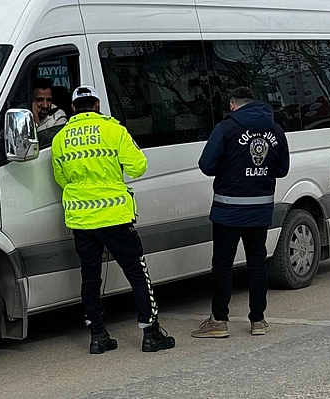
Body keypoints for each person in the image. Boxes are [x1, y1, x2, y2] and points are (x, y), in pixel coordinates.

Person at [51, 85, 174, 354]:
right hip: (115, 215)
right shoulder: (114, 130)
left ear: (73, 108)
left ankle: (98, 336)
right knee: (137, 274)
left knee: (90, 277)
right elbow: (138, 166)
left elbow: (61, 179)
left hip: (81, 219)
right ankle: (150, 333)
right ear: (96, 105)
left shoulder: (60, 139)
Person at [193, 87, 290, 338]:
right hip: (259, 210)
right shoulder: (276, 131)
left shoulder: (226, 128)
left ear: (233, 105)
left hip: (228, 210)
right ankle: (258, 320)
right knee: (257, 264)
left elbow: (206, 165)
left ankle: (219, 322)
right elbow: (282, 170)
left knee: (223, 266)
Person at [33, 78, 68, 147]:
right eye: (40, 100)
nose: (45, 105)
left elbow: (42, 143)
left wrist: (36, 122)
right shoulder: (22, 112)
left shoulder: (59, 117)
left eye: (49, 100)